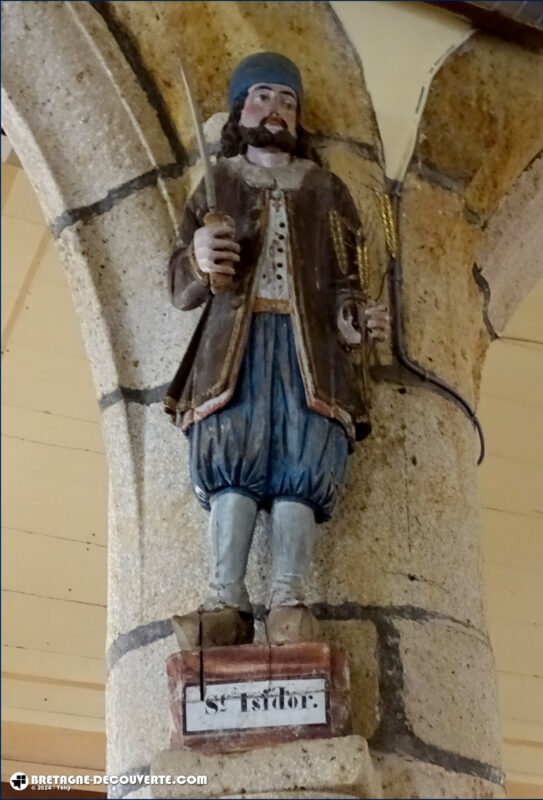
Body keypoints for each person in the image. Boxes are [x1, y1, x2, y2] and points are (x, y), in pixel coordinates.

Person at [165, 52, 387, 647]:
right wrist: (201, 258)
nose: (276, 110)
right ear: (242, 108)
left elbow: (346, 278)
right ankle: (224, 600)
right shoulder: (220, 184)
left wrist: (355, 318)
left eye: (288, 101)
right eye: (263, 96)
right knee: (232, 464)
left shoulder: (324, 188)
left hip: (306, 351)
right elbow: (178, 284)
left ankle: (289, 597)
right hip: (234, 350)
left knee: (301, 464)